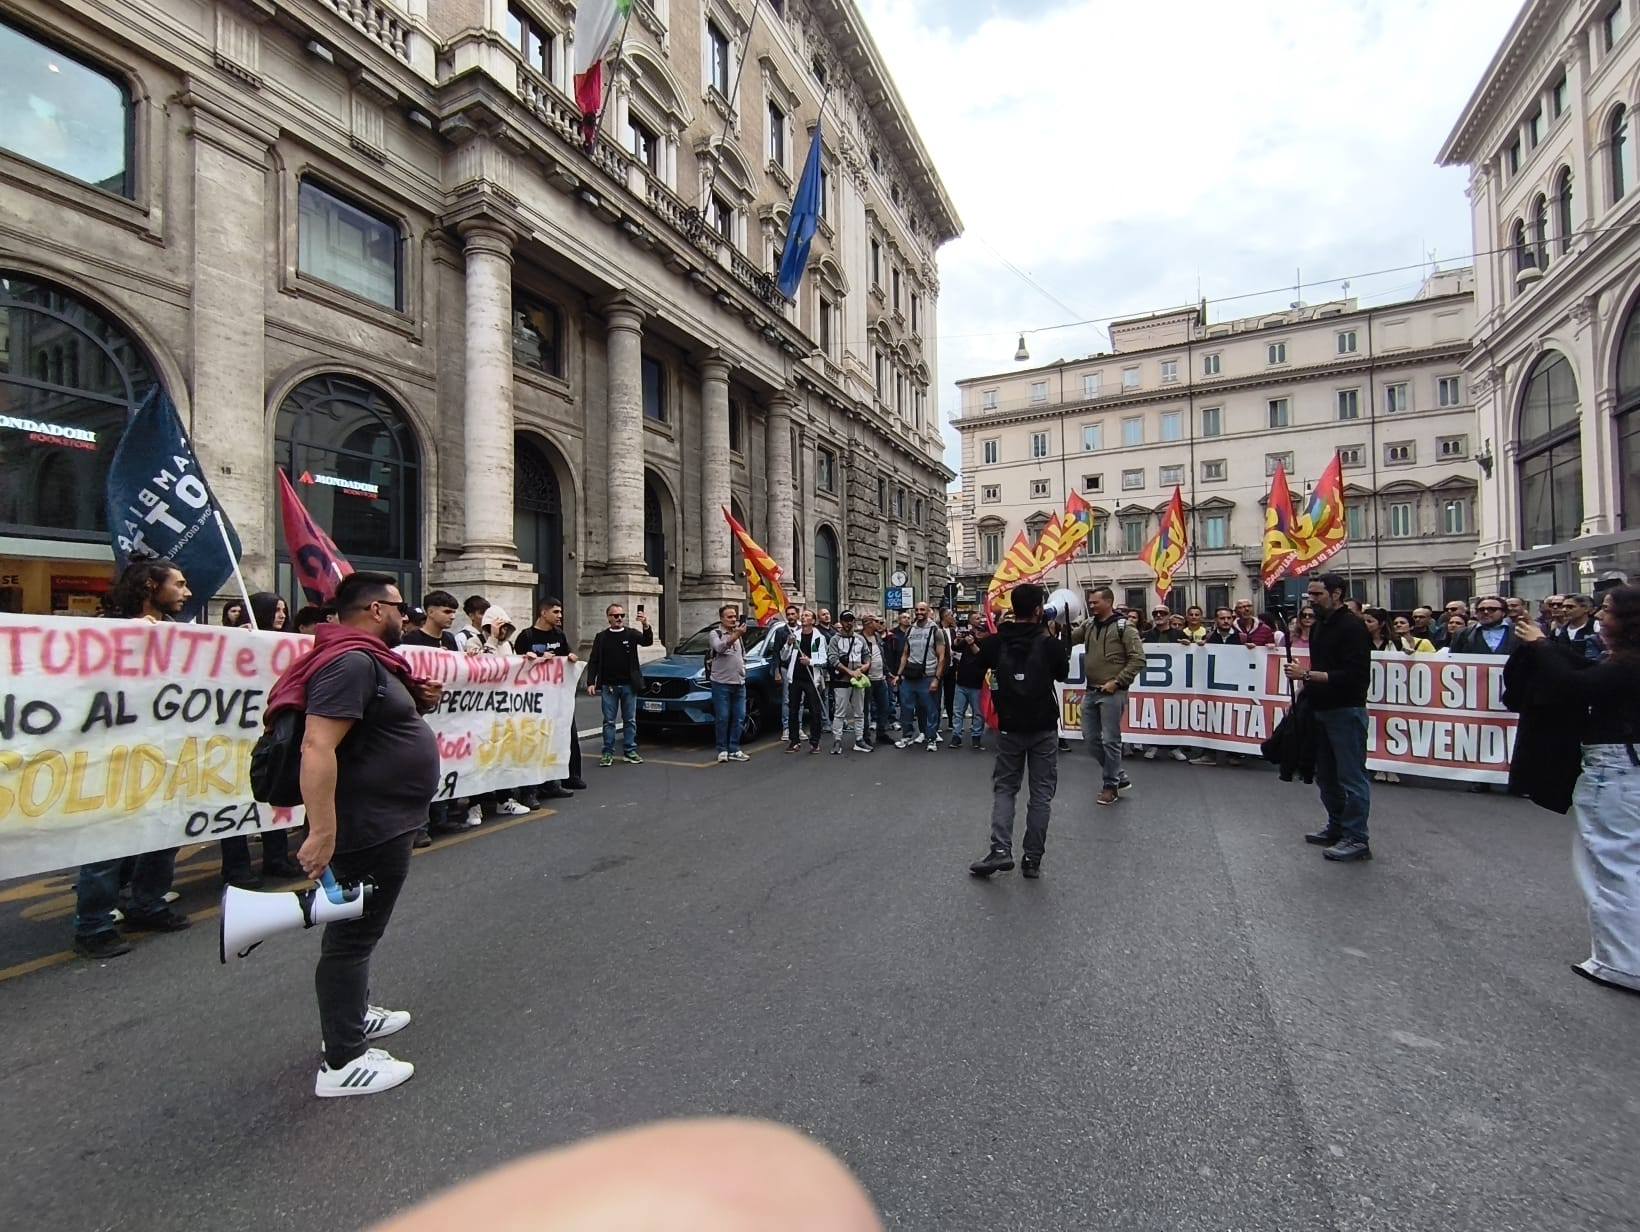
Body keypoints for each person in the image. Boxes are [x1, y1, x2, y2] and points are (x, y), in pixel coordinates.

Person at [269, 571, 443, 1097]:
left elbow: (369, 727)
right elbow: (317, 746)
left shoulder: (368, 660)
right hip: (366, 824)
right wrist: (322, 830)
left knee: (358, 930)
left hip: (381, 819)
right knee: (353, 938)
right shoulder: (349, 663)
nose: (405, 616)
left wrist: (418, 703)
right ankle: (343, 1062)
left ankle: (354, 1014)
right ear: (375, 610)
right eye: (400, 607)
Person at [1510, 587, 1640, 996]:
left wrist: (1541, 645)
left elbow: (1576, 684)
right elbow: (1586, 671)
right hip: (1625, 763)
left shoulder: (1628, 665)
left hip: (1616, 767)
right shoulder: (1621, 662)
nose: (1600, 616)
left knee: (1612, 863)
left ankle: (1621, 962)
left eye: (1607, 610)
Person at [71, 560, 196, 959]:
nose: (187, 592)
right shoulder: (105, 632)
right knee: (106, 845)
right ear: (150, 586)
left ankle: (148, 903)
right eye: (179, 584)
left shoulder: (179, 635)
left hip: (163, 756)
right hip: (111, 760)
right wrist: (127, 639)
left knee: (164, 836)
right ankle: (93, 926)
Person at [968, 584, 1072, 879]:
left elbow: (977, 668)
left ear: (1013, 608)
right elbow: (1063, 674)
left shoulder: (996, 642)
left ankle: (1000, 849)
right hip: (1043, 726)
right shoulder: (1049, 644)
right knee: (1041, 794)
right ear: (1039, 610)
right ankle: (1032, 858)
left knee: (1005, 788)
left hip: (1010, 726)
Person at [1285, 573, 1373, 862]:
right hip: (1320, 709)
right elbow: (1322, 665)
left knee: (1351, 777)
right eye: (1309, 595)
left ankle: (1357, 838)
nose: (1310, 600)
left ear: (1336, 594)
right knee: (1325, 775)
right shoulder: (1320, 626)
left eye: (1317, 594)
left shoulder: (1353, 627)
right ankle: (1337, 826)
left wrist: (1307, 675)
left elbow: (1353, 676)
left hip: (1346, 710)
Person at [514, 596, 588, 795]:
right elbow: (516, 665)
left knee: (566, 734)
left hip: (558, 698)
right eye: (556, 612)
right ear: (543, 612)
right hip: (534, 699)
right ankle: (537, 785)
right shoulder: (527, 636)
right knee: (538, 739)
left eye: (560, 612)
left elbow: (566, 654)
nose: (560, 616)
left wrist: (570, 658)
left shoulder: (559, 635)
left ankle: (570, 776)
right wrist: (537, 659)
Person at [1079, 586, 1145, 804]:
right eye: (1090, 602)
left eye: (1095, 602)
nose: (1091, 605)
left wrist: (1117, 682)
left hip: (1112, 692)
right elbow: (1067, 639)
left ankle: (1110, 785)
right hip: (1091, 690)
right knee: (1090, 738)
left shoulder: (1125, 627)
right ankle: (1118, 774)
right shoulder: (1089, 625)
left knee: (1110, 740)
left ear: (1108, 602)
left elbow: (1138, 659)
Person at [587, 603, 653, 766]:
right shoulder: (601, 637)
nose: (619, 618)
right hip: (609, 686)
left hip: (629, 685)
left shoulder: (631, 634)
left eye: (622, 615)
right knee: (609, 721)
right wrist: (591, 682)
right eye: (615, 615)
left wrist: (645, 625)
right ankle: (607, 753)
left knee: (630, 720)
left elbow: (647, 641)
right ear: (608, 618)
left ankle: (630, 751)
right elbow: (594, 660)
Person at [894, 601, 947, 750]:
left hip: (928, 676)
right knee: (906, 708)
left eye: (922, 610)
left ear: (928, 611)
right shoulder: (910, 630)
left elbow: (941, 657)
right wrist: (898, 674)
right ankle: (907, 736)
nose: (919, 612)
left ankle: (931, 738)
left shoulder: (936, 630)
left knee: (931, 709)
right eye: (917, 610)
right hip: (910, 676)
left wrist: (936, 678)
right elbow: (905, 654)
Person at [706, 603, 753, 764]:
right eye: (730, 617)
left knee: (739, 717)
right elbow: (719, 648)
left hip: (739, 683)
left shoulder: (738, 635)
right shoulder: (716, 633)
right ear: (721, 619)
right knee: (723, 717)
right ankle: (722, 749)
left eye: (735, 616)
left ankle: (734, 748)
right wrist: (736, 635)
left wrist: (743, 669)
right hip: (721, 683)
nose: (733, 619)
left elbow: (742, 655)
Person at [826, 611, 872, 755]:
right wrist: (849, 672)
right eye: (846, 620)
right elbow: (833, 659)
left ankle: (859, 740)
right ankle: (837, 741)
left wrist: (865, 667)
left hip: (858, 680)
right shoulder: (835, 640)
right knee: (840, 712)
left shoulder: (860, 639)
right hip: (842, 680)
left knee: (859, 712)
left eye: (851, 620)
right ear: (841, 622)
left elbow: (867, 655)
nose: (848, 623)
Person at [782, 610, 828, 752]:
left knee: (815, 710)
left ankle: (815, 742)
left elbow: (823, 660)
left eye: (807, 615)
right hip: (795, 677)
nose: (803, 617)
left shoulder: (819, 638)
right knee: (793, 709)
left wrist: (810, 662)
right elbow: (784, 656)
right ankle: (794, 741)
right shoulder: (794, 635)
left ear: (813, 621)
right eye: (802, 615)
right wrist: (788, 644)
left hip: (812, 679)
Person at [949, 617, 987, 750]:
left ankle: (976, 737)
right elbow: (955, 647)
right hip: (962, 681)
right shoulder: (969, 638)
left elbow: (982, 656)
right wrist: (958, 639)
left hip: (978, 684)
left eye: (982, 630)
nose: (979, 632)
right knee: (958, 712)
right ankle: (956, 736)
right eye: (977, 629)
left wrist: (972, 644)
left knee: (978, 713)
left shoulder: (988, 643)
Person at [765, 604, 800, 736]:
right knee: (787, 699)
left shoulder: (803, 630)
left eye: (793, 614)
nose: (790, 616)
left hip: (800, 668)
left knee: (800, 700)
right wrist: (777, 671)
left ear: (797, 615)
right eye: (788, 614)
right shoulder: (780, 632)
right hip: (785, 667)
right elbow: (776, 653)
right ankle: (786, 727)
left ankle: (798, 727)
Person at [860, 614, 893, 747]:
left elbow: (881, 656)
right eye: (876, 622)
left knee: (884, 707)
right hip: (867, 679)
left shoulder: (877, 636)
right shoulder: (859, 638)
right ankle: (865, 736)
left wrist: (887, 672)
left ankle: (881, 733)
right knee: (865, 709)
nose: (879, 624)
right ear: (869, 623)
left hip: (880, 677)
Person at [1449, 596, 1520, 657]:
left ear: (1503, 612)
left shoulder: (1519, 632)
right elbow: (1453, 659)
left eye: (1492, 609)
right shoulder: (1462, 634)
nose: (1485, 612)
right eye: (1481, 610)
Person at [882, 611, 912, 732]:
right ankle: (892, 719)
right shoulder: (893, 634)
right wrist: (892, 672)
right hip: (895, 669)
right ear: (899, 620)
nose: (907, 619)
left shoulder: (913, 632)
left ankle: (906, 720)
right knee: (892, 698)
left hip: (909, 670)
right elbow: (889, 654)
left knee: (906, 699)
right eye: (904, 617)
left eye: (909, 617)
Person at [1553, 593, 1605, 662]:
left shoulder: (1597, 627)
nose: (1564, 610)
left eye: (1570, 607)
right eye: (1563, 607)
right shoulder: (1560, 631)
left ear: (1586, 609)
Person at [939, 609, 960, 732]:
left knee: (950, 695)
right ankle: (936, 723)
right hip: (940, 666)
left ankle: (951, 721)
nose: (953, 617)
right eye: (951, 615)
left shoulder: (953, 631)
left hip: (951, 666)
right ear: (945, 616)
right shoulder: (937, 630)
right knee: (937, 696)